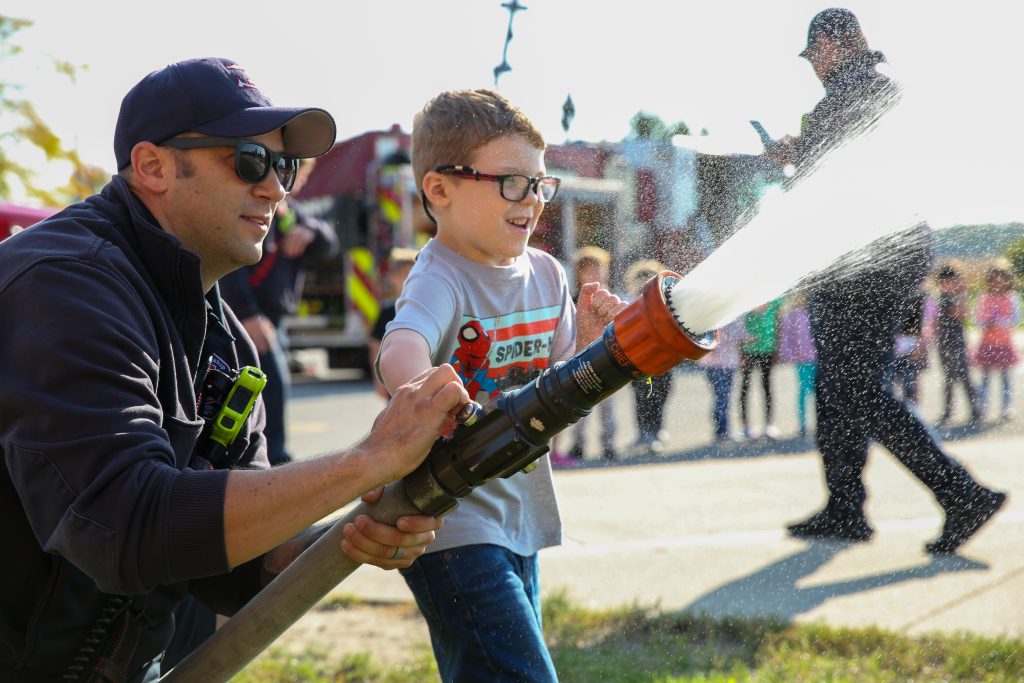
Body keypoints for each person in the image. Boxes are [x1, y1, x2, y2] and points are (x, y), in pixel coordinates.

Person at [0, 57, 466, 682]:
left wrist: (346, 534)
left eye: (285, 166)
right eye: (249, 160)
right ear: (153, 167)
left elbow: (223, 564)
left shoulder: (223, 340)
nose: (276, 188)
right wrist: (366, 460)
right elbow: (123, 525)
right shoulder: (64, 286)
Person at [377, 88, 624, 683]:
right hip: (448, 522)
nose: (532, 200)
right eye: (512, 182)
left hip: (519, 515)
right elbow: (401, 347)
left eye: (540, 183)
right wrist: (425, 389)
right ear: (440, 189)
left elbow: (564, 382)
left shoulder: (545, 273)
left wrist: (592, 340)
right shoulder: (441, 278)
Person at [769, 9, 1005, 554]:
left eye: (814, 54)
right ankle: (845, 506)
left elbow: (836, 178)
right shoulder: (876, 89)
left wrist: (793, 157)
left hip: (864, 265)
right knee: (838, 386)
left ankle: (960, 493)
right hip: (871, 261)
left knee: (858, 388)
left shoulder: (858, 91)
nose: (813, 67)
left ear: (831, 43)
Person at [220, 157, 339, 465]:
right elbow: (231, 261)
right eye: (283, 168)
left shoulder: (293, 213)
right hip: (248, 317)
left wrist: (311, 230)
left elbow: (330, 244)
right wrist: (246, 314)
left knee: (266, 390)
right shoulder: (253, 207)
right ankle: (272, 463)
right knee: (266, 388)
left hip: (272, 319)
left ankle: (264, 463)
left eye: (294, 171)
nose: (286, 180)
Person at [562, 246, 619, 461]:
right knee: (581, 407)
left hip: (609, 360)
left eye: (599, 269)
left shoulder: (611, 298)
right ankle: (578, 444)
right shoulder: (573, 299)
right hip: (581, 360)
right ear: (579, 274)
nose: (596, 274)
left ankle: (609, 443)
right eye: (590, 270)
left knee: (608, 408)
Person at [624, 259, 676, 454]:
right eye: (641, 278)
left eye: (649, 278)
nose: (645, 283)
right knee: (641, 398)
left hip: (663, 360)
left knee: (659, 397)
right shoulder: (630, 303)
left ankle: (655, 433)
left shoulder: (667, 302)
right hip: (639, 360)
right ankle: (643, 433)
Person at [368, 247, 420, 400]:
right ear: (392, 278)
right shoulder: (388, 312)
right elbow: (376, 346)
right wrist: (379, 381)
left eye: (415, 275)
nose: (410, 280)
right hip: (395, 382)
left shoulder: (426, 310)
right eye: (405, 276)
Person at [973, 263, 1020, 422]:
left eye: (1001, 279)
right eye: (994, 279)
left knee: (1005, 378)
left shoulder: (1011, 297)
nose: (998, 282)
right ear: (989, 281)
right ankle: (983, 406)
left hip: (1004, 342)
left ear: (1007, 280)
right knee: (985, 378)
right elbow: (978, 319)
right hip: (987, 342)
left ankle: (1007, 406)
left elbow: (1015, 319)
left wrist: (1000, 322)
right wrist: (987, 323)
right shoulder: (984, 298)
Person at [934, 263, 981, 426]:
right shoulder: (944, 299)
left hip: (956, 342)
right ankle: (954, 411)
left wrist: (962, 295)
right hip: (947, 343)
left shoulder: (951, 297)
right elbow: (959, 313)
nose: (949, 284)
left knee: (962, 377)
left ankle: (974, 410)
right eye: (946, 281)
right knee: (952, 378)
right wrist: (963, 294)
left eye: (951, 281)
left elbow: (965, 315)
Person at [739, 298, 782, 440]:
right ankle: (745, 426)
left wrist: (777, 348)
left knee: (767, 386)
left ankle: (769, 424)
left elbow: (778, 322)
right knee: (745, 387)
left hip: (767, 349)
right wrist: (740, 350)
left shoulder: (775, 299)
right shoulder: (747, 297)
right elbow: (740, 323)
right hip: (748, 350)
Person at [776, 292, 817, 438]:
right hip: (802, 359)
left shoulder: (813, 311)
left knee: (817, 390)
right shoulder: (791, 315)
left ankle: (816, 422)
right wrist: (787, 354)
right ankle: (803, 424)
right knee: (805, 390)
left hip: (816, 357)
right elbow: (787, 337)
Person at [698, 317, 744, 443]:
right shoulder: (715, 318)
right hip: (715, 365)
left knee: (723, 397)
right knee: (722, 397)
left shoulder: (736, 317)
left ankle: (721, 428)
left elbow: (741, 335)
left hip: (729, 363)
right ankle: (722, 429)